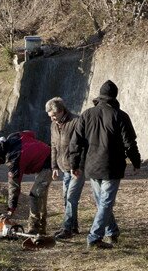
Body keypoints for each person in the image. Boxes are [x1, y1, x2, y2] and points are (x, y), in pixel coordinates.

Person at [68, 80, 141, 250]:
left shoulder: (86, 114)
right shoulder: (120, 116)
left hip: (91, 166)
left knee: (103, 202)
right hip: (112, 166)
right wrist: (136, 161)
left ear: (100, 96)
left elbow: (75, 142)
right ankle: (94, 237)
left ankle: (112, 231)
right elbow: (129, 143)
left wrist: (74, 164)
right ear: (115, 96)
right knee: (105, 203)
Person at [0, 129, 53, 236]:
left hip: (48, 164)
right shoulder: (13, 136)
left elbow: (14, 187)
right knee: (40, 196)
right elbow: (30, 133)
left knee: (35, 195)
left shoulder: (14, 159)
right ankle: (42, 228)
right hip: (48, 155)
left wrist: (11, 209)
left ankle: (34, 228)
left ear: (1, 155)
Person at [46, 96, 84, 239]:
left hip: (77, 167)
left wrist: (78, 165)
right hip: (64, 167)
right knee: (65, 197)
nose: (52, 119)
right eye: (50, 116)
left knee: (71, 197)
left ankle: (66, 228)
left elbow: (81, 146)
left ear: (62, 111)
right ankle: (73, 226)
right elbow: (53, 146)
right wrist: (54, 166)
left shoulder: (76, 121)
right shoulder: (53, 125)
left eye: (54, 115)